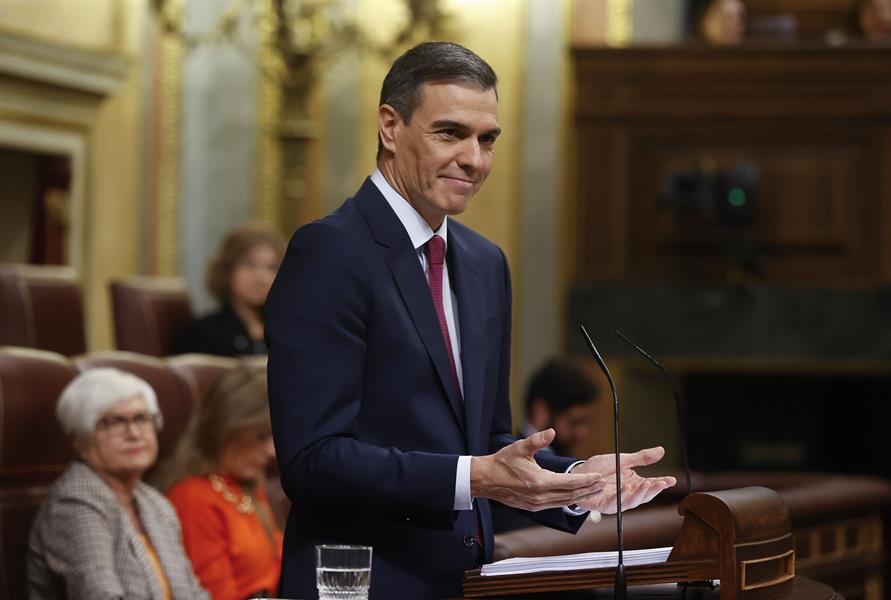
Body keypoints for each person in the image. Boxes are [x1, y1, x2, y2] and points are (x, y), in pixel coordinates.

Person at [265, 41, 676, 599]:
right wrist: (476, 477)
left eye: (487, 140)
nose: (475, 159)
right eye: (450, 133)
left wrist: (573, 484)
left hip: (468, 584)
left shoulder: (485, 263)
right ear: (391, 126)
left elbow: (488, 441)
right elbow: (313, 461)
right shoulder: (330, 252)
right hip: (363, 580)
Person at [27, 368, 208, 600]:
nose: (133, 433)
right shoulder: (75, 504)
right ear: (80, 441)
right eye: (114, 422)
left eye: (142, 418)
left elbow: (193, 593)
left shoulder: (156, 503)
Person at [158, 366, 283, 600]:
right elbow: (215, 594)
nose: (271, 451)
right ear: (227, 426)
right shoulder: (193, 495)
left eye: (274, 436)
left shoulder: (245, 482)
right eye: (261, 436)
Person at [492, 358, 599, 533]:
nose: (582, 432)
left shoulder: (570, 459)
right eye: (574, 422)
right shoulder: (505, 462)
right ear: (541, 411)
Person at [176, 224, 286, 357]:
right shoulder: (203, 333)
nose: (261, 277)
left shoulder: (288, 330)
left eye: (272, 268)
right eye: (249, 265)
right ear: (227, 270)